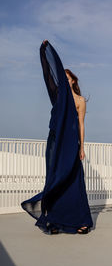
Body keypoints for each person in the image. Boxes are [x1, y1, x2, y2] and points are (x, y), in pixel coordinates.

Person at [21, 40, 93, 235]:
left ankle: (80, 220)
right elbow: (48, 75)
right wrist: (44, 51)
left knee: (72, 179)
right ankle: (52, 220)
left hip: (71, 143)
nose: (65, 80)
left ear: (74, 81)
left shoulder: (79, 101)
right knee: (54, 178)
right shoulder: (58, 96)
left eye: (68, 78)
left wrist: (81, 147)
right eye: (63, 77)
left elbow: (81, 124)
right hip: (54, 140)